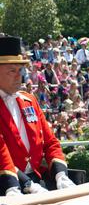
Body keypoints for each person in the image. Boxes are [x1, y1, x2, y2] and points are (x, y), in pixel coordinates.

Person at [0, 36, 75, 196]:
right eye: (11, 71)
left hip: (37, 180)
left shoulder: (30, 100)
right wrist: (26, 184)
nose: (18, 76)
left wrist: (61, 175)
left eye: (20, 70)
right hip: (7, 185)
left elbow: (50, 142)